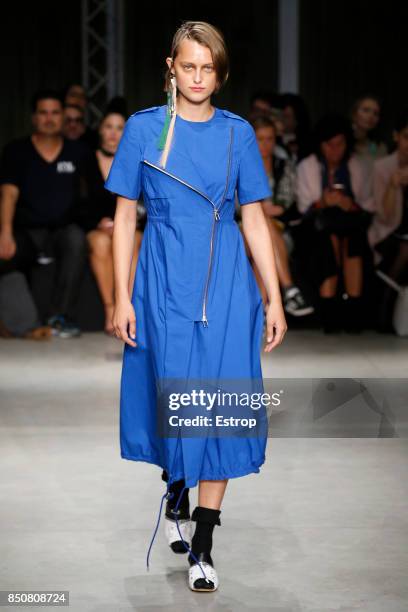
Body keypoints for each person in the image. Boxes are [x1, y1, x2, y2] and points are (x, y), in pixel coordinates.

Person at [104, 21, 287, 592]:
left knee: (223, 400)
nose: (199, 77)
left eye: (208, 67)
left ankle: (203, 543)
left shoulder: (237, 134)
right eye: (189, 66)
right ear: (171, 67)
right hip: (162, 276)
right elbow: (125, 216)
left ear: (220, 71)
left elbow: (253, 216)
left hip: (228, 279)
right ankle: (175, 489)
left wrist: (274, 295)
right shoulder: (145, 130)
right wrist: (120, 294)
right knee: (175, 393)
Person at [0, 88, 93, 338]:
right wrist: (5, 233)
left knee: (76, 239)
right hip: (27, 231)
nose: (49, 118)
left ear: (63, 116)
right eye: (43, 113)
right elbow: (8, 193)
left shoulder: (78, 152)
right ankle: (22, 322)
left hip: (63, 230)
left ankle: (59, 317)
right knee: (6, 256)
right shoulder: (16, 151)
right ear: (34, 117)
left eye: (55, 112)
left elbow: (92, 195)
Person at [296, 113, 374, 333]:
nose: (334, 150)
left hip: (351, 226)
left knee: (352, 239)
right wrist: (323, 202)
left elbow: (368, 205)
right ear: (320, 145)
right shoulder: (308, 166)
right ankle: (330, 311)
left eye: (339, 144)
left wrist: (350, 204)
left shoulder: (356, 166)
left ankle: (353, 308)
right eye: (329, 145)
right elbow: (303, 209)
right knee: (328, 241)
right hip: (315, 230)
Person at [236, 113, 314, 317]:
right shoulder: (240, 163)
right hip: (242, 228)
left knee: (264, 241)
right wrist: (261, 209)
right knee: (261, 229)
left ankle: (259, 315)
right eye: (260, 139)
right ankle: (289, 289)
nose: (265, 144)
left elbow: (285, 203)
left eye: (270, 138)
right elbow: (236, 205)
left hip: (279, 230)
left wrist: (259, 208)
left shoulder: (283, 166)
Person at [76, 108, 146, 335]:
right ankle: (110, 309)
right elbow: (76, 201)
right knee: (100, 243)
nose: (114, 133)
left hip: (130, 227)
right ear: (100, 130)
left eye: (120, 128)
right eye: (109, 127)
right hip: (97, 226)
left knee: (134, 240)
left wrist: (128, 222)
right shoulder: (86, 160)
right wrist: (98, 223)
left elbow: (146, 203)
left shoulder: (138, 160)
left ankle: (128, 307)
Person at [368, 107, 408, 331]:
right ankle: (385, 309)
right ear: (396, 137)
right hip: (388, 233)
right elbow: (384, 216)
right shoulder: (382, 167)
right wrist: (393, 186)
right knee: (405, 249)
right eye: (406, 137)